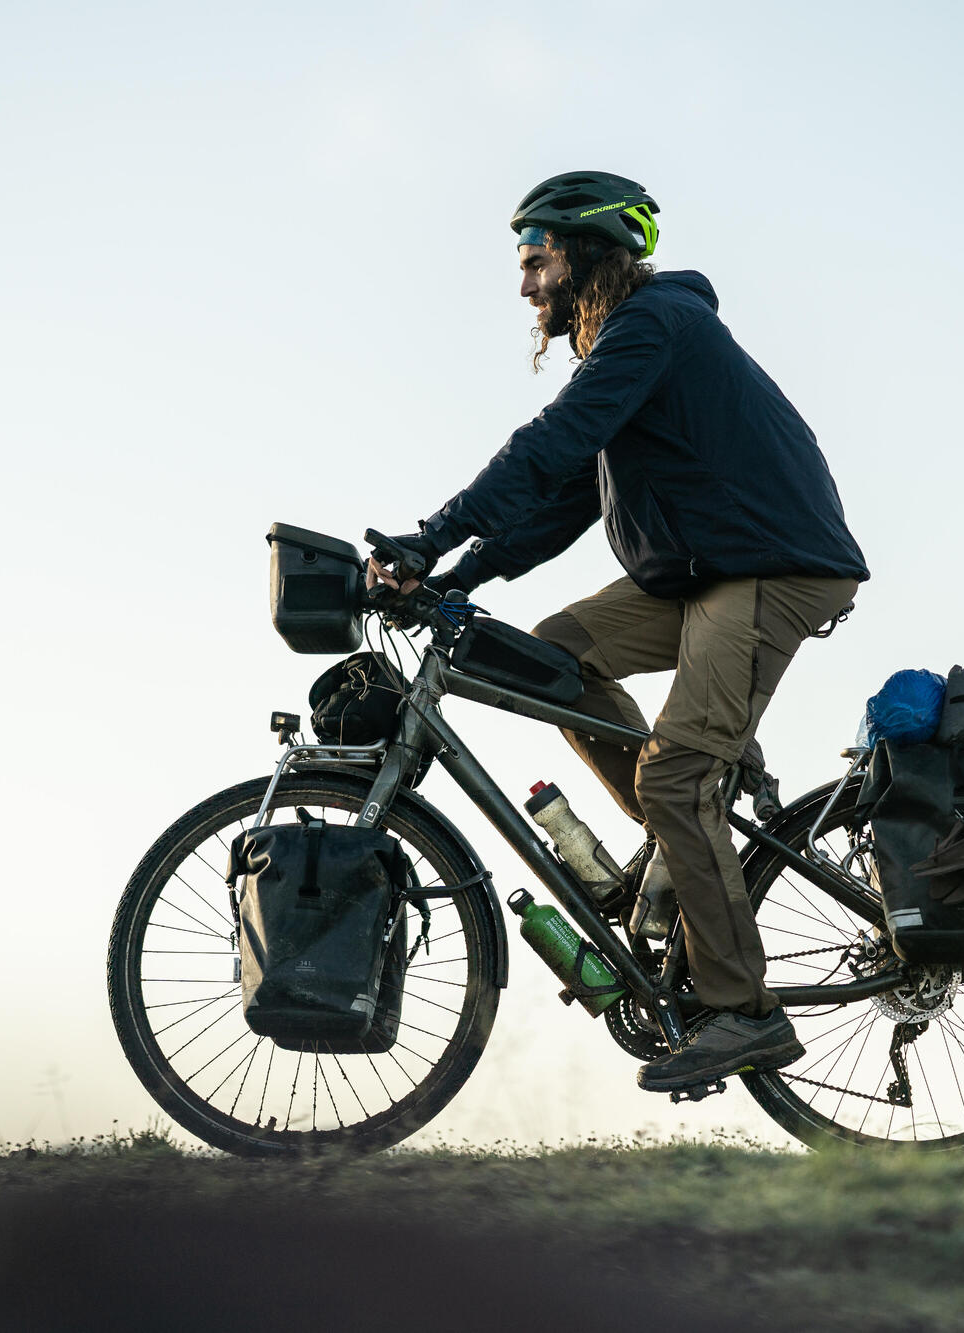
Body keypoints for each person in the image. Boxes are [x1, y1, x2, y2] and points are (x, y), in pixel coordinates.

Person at [368, 171, 869, 1094]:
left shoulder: (655, 325)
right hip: (704, 571)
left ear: (589, 251)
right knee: (552, 653)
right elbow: (560, 499)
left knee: (676, 775)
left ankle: (743, 1013)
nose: (525, 288)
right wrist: (451, 575)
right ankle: (679, 845)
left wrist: (431, 533)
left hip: (772, 567)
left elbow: (551, 443)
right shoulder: (621, 345)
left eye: (537, 261)